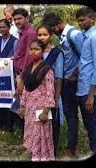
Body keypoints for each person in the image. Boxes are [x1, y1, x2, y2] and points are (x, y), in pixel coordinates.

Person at [42, 12, 84, 157]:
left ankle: (71, 148)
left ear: (58, 24)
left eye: (53, 29)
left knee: (72, 115)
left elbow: (85, 57)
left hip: (74, 81)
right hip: (67, 81)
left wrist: (75, 74)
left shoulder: (74, 34)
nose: (52, 33)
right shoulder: (62, 37)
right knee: (68, 113)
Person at [18, 39, 55, 161]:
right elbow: (25, 88)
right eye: (31, 49)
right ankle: (34, 154)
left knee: (41, 134)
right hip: (29, 106)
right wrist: (22, 106)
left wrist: (45, 111)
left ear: (43, 51)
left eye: (37, 49)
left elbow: (50, 91)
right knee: (31, 132)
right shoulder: (28, 67)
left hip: (41, 107)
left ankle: (43, 157)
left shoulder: (47, 69)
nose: (33, 52)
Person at [75, 7, 96, 154]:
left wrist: (91, 95)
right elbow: (85, 62)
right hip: (82, 87)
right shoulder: (86, 36)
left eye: (83, 20)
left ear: (92, 19)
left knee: (92, 124)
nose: (80, 23)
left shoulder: (95, 37)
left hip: (88, 90)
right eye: (78, 21)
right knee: (87, 122)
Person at [37, 24, 64, 156]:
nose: (42, 37)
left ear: (51, 36)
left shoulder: (57, 53)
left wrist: (56, 98)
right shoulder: (36, 51)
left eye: (45, 34)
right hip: (38, 94)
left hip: (51, 93)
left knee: (52, 122)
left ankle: (52, 152)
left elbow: (59, 78)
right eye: (39, 35)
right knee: (40, 121)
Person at [0, 19, 18, 131]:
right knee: (0, 99)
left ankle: (9, 126)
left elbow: (17, 57)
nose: (2, 29)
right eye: (0, 27)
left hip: (10, 75)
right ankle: (0, 124)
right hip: (0, 74)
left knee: (10, 100)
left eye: (4, 27)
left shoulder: (15, 41)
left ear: (9, 27)